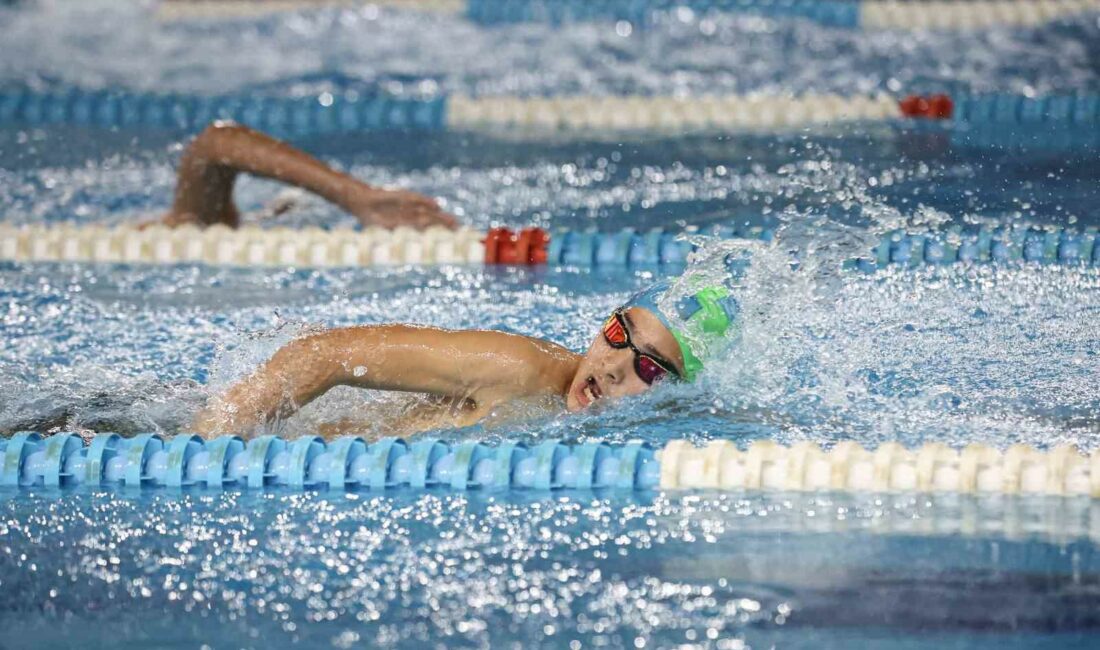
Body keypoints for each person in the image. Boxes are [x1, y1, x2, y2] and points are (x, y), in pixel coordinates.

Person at [192, 282, 739, 438]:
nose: (615, 365)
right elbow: (326, 354)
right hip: (282, 450)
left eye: (648, 369)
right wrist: (208, 441)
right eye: (619, 334)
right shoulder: (518, 367)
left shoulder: (660, 424)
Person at [161, 121, 458, 230]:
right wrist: (355, 196)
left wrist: (356, 196)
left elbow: (218, 140)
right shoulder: (185, 228)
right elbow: (212, 144)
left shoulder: (204, 224)